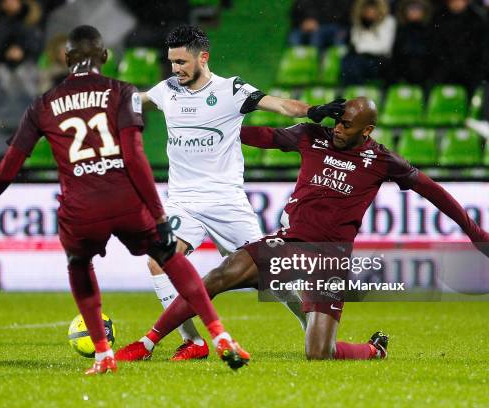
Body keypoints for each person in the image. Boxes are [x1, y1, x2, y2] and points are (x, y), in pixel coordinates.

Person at [0, 25, 250, 375]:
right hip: (125, 201)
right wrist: (157, 215)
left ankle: (102, 354)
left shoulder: (43, 105)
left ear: (65, 59)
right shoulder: (122, 92)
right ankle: (218, 335)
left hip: (80, 207)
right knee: (169, 258)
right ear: (105, 57)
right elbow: (135, 158)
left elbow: (8, 169)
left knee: (80, 266)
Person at [116, 97, 489, 361]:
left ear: (366, 131)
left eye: (347, 125)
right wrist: (206, 131)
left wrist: (477, 234)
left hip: (329, 260)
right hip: (287, 244)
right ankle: (147, 343)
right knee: (217, 276)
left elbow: (432, 191)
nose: (336, 129)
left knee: (319, 353)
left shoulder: (382, 160)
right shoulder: (311, 135)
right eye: (336, 121)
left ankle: (371, 351)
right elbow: (259, 136)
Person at [129, 24, 345, 361]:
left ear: (203, 57)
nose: (175, 70)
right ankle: (193, 342)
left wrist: (311, 110)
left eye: (182, 62)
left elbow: (279, 105)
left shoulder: (231, 90)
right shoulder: (167, 89)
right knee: (159, 259)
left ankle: (313, 332)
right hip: (183, 201)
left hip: (226, 201)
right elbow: (136, 100)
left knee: (271, 278)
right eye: (171, 62)